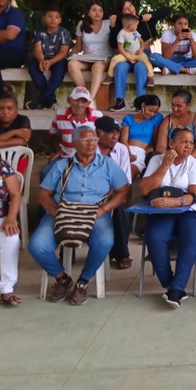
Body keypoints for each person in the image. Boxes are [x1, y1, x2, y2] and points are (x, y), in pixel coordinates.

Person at [30, 126, 131, 306]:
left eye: (94, 140)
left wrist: (104, 209)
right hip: (62, 211)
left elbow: (124, 191)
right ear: (75, 143)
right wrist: (58, 213)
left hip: (95, 213)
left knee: (105, 241)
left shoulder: (107, 164)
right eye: (85, 140)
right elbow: (43, 195)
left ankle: (83, 281)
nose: (91, 144)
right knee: (37, 245)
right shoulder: (61, 165)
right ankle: (62, 278)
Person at [141, 128, 196, 308]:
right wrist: (164, 165)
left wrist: (176, 202)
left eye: (191, 142)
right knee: (154, 236)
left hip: (188, 211)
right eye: (184, 142)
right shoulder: (156, 160)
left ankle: (177, 288)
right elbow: (145, 189)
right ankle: (169, 284)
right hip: (161, 212)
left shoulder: (194, 164)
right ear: (171, 143)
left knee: (192, 235)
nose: (188, 146)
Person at [94, 117, 133, 271]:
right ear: (98, 133)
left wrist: (113, 192)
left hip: (115, 192)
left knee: (119, 207)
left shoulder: (122, 149)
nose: (115, 136)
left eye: (117, 132)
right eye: (111, 132)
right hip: (92, 194)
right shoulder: (90, 148)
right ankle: (67, 252)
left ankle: (122, 254)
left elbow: (125, 181)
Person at [0, 137, 20, 306]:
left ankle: (6, 288)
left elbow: (15, 194)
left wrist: (11, 218)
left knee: (11, 239)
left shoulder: (2, 167)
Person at [66, 1, 111, 106]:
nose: (97, 13)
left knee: (97, 66)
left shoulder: (108, 23)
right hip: (87, 57)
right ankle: (85, 95)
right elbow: (78, 47)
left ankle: (90, 100)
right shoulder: (82, 24)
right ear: (88, 12)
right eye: (94, 10)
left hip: (105, 58)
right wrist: (68, 56)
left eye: (100, 10)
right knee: (72, 64)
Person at [27, 8, 71, 110]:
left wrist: (51, 62)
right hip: (43, 58)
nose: (53, 19)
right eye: (50, 16)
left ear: (60, 20)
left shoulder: (64, 32)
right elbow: (37, 50)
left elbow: (63, 52)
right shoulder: (39, 32)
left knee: (58, 74)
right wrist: (42, 60)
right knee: (33, 68)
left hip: (58, 59)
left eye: (56, 17)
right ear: (44, 19)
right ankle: (50, 100)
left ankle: (41, 101)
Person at [47, 86, 102, 165]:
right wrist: (58, 151)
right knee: (48, 170)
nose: (79, 104)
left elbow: (103, 138)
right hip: (67, 157)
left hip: (90, 159)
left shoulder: (97, 116)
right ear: (69, 100)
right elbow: (52, 134)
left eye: (83, 101)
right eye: (76, 100)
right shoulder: (59, 114)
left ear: (88, 104)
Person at [104, 14, 154, 94]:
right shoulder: (121, 34)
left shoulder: (135, 32)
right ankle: (110, 76)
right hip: (126, 53)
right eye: (136, 25)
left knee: (146, 60)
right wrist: (126, 56)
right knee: (115, 59)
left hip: (137, 53)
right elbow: (120, 48)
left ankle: (150, 76)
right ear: (130, 26)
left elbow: (141, 41)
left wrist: (141, 49)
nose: (137, 27)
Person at [156, 90, 196, 163]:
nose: (175, 108)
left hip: (192, 158)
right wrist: (172, 160)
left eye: (179, 106)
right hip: (170, 159)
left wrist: (185, 161)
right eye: (173, 105)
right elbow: (160, 147)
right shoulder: (168, 120)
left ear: (188, 106)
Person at [120, 94, 162, 179]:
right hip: (125, 149)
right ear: (143, 105)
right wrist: (129, 153)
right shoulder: (129, 118)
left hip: (139, 153)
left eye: (155, 112)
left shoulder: (156, 118)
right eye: (150, 110)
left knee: (128, 176)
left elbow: (155, 138)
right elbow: (123, 139)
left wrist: (153, 151)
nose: (152, 114)